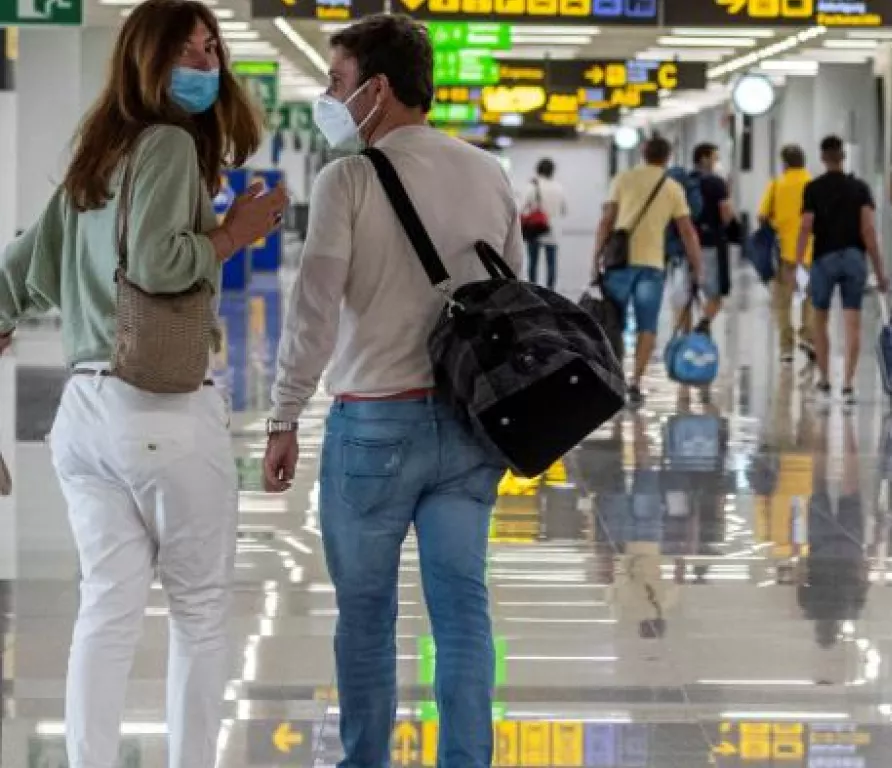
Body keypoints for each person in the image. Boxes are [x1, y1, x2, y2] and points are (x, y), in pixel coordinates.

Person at [0, 1, 286, 765]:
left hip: (85, 415)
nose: (204, 63)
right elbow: (161, 264)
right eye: (186, 51)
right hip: (159, 404)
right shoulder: (163, 143)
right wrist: (235, 233)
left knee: (107, 607)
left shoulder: (100, 153)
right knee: (197, 610)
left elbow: (19, 272)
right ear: (146, 60)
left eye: (210, 48)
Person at [261, 15, 523, 767]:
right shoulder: (488, 172)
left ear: (377, 89)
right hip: (470, 427)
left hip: (374, 425)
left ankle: (365, 760)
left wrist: (283, 416)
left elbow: (314, 313)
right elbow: (514, 299)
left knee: (367, 616)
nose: (329, 97)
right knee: (463, 617)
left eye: (337, 83)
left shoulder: (346, 178)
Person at [594, 135, 705, 407]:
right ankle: (635, 382)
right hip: (652, 266)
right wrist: (697, 267)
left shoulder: (623, 179)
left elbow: (606, 221)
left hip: (618, 263)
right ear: (668, 157)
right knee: (647, 326)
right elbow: (687, 232)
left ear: (643, 154)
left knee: (613, 322)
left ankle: (614, 376)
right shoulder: (672, 187)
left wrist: (595, 257)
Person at [795, 135, 889, 407]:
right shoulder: (859, 188)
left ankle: (825, 380)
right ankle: (848, 384)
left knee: (820, 322)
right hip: (853, 258)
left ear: (823, 158)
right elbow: (868, 231)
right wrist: (880, 271)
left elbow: (805, 226)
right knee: (852, 324)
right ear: (842, 157)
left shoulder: (812, 188)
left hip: (823, 259)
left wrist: (799, 262)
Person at [759, 144, 815, 365]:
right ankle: (808, 336)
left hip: (784, 254)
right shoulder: (813, 185)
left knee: (782, 302)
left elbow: (762, 216)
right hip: (811, 251)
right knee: (809, 298)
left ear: (784, 163)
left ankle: (786, 348)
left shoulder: (776, 185)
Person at [685, 142, 734, 331]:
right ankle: (701, 328)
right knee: (715, 296)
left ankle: (685, 336)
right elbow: (726, 215)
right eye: (715, 158)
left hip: (685, 245)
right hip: (710, 244)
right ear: (704, 158)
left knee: (687, 296)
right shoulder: (716, 182)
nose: (717, 162)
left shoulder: (686, 181)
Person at [520, 157, 567, 289]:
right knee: (551, 263)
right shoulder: (559, 187)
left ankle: (533, 290)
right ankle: (551, 290)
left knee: (533, 262)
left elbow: (522, 207)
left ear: (538, 170)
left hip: (535, 229)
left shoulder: (533, 186)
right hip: (553, 230)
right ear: (552, 171)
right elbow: (564, 210)